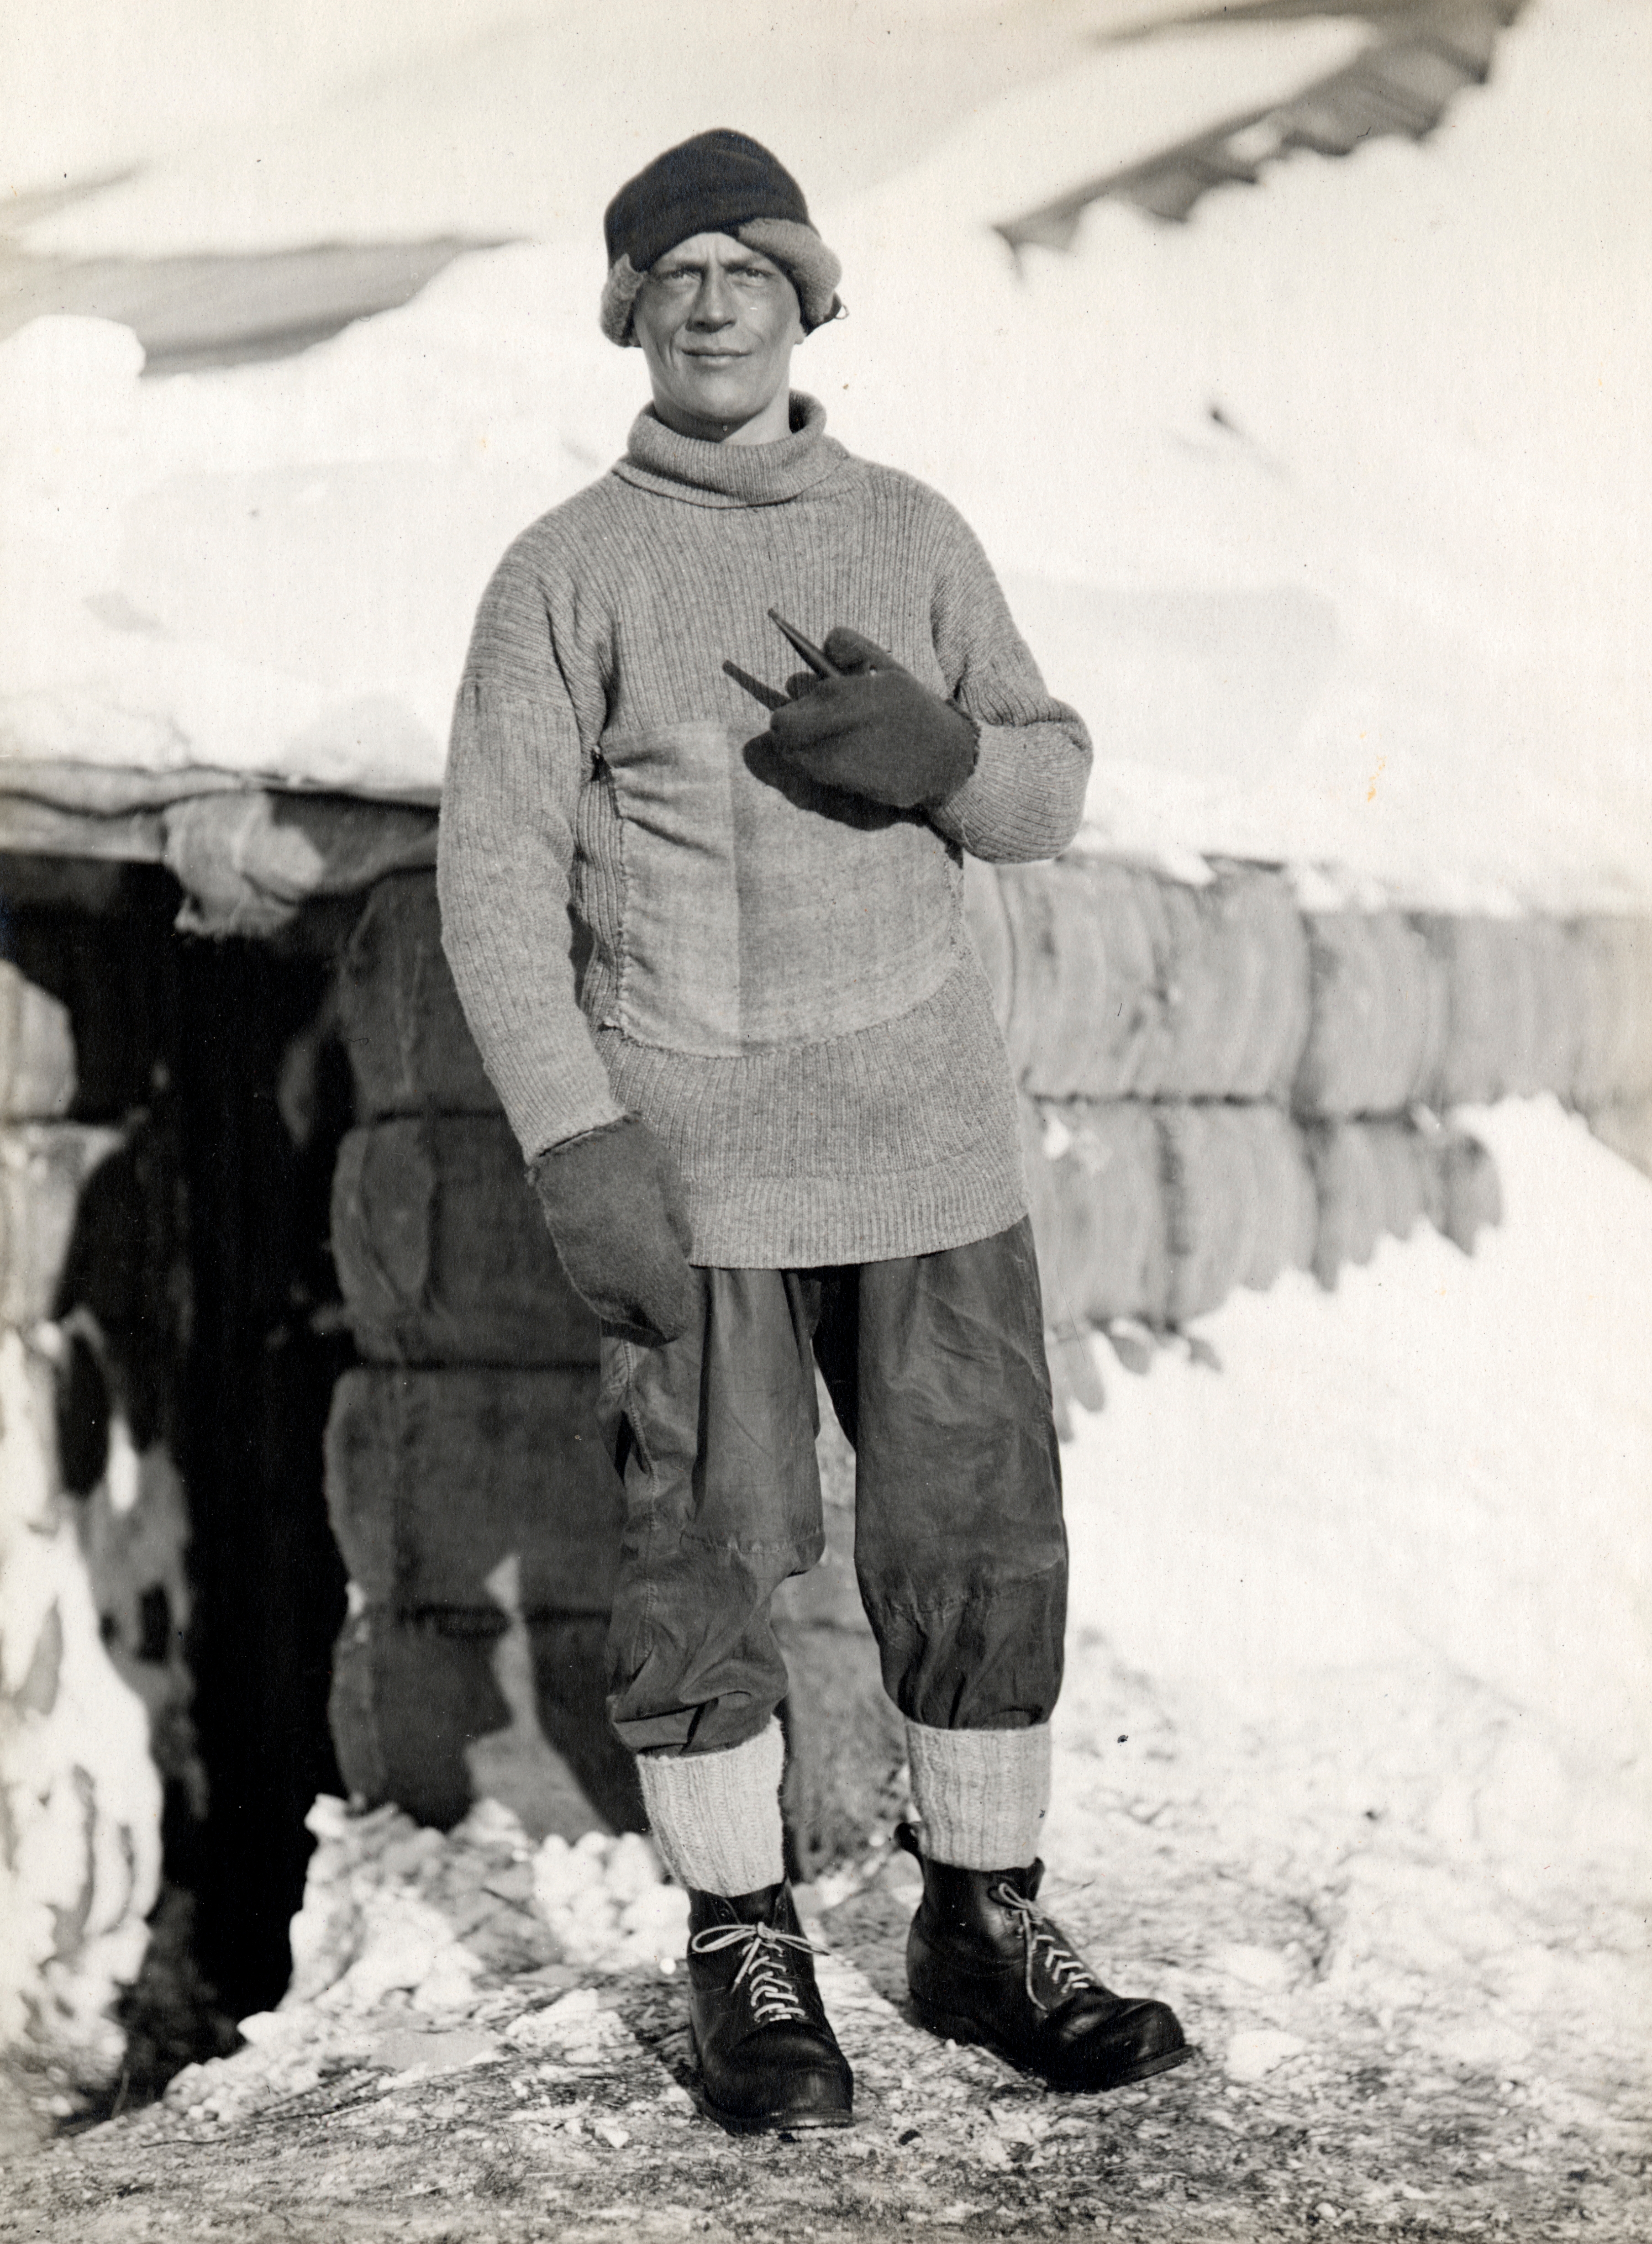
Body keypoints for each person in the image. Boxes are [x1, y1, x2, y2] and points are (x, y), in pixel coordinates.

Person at [438, 127, 1189, 2134]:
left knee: (976, 1533)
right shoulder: (562, 571)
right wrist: (575, 1138)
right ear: (628, 315)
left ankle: (984, 1920)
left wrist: (947, 758)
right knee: (701, 1553)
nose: (712, 306)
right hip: (693, 1168)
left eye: (747, 272)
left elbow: (1047, 787)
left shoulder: (915, 533)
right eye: (673, 276)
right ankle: (741, 1946)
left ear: (804, 302)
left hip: (927, 1143)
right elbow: (491, 881)